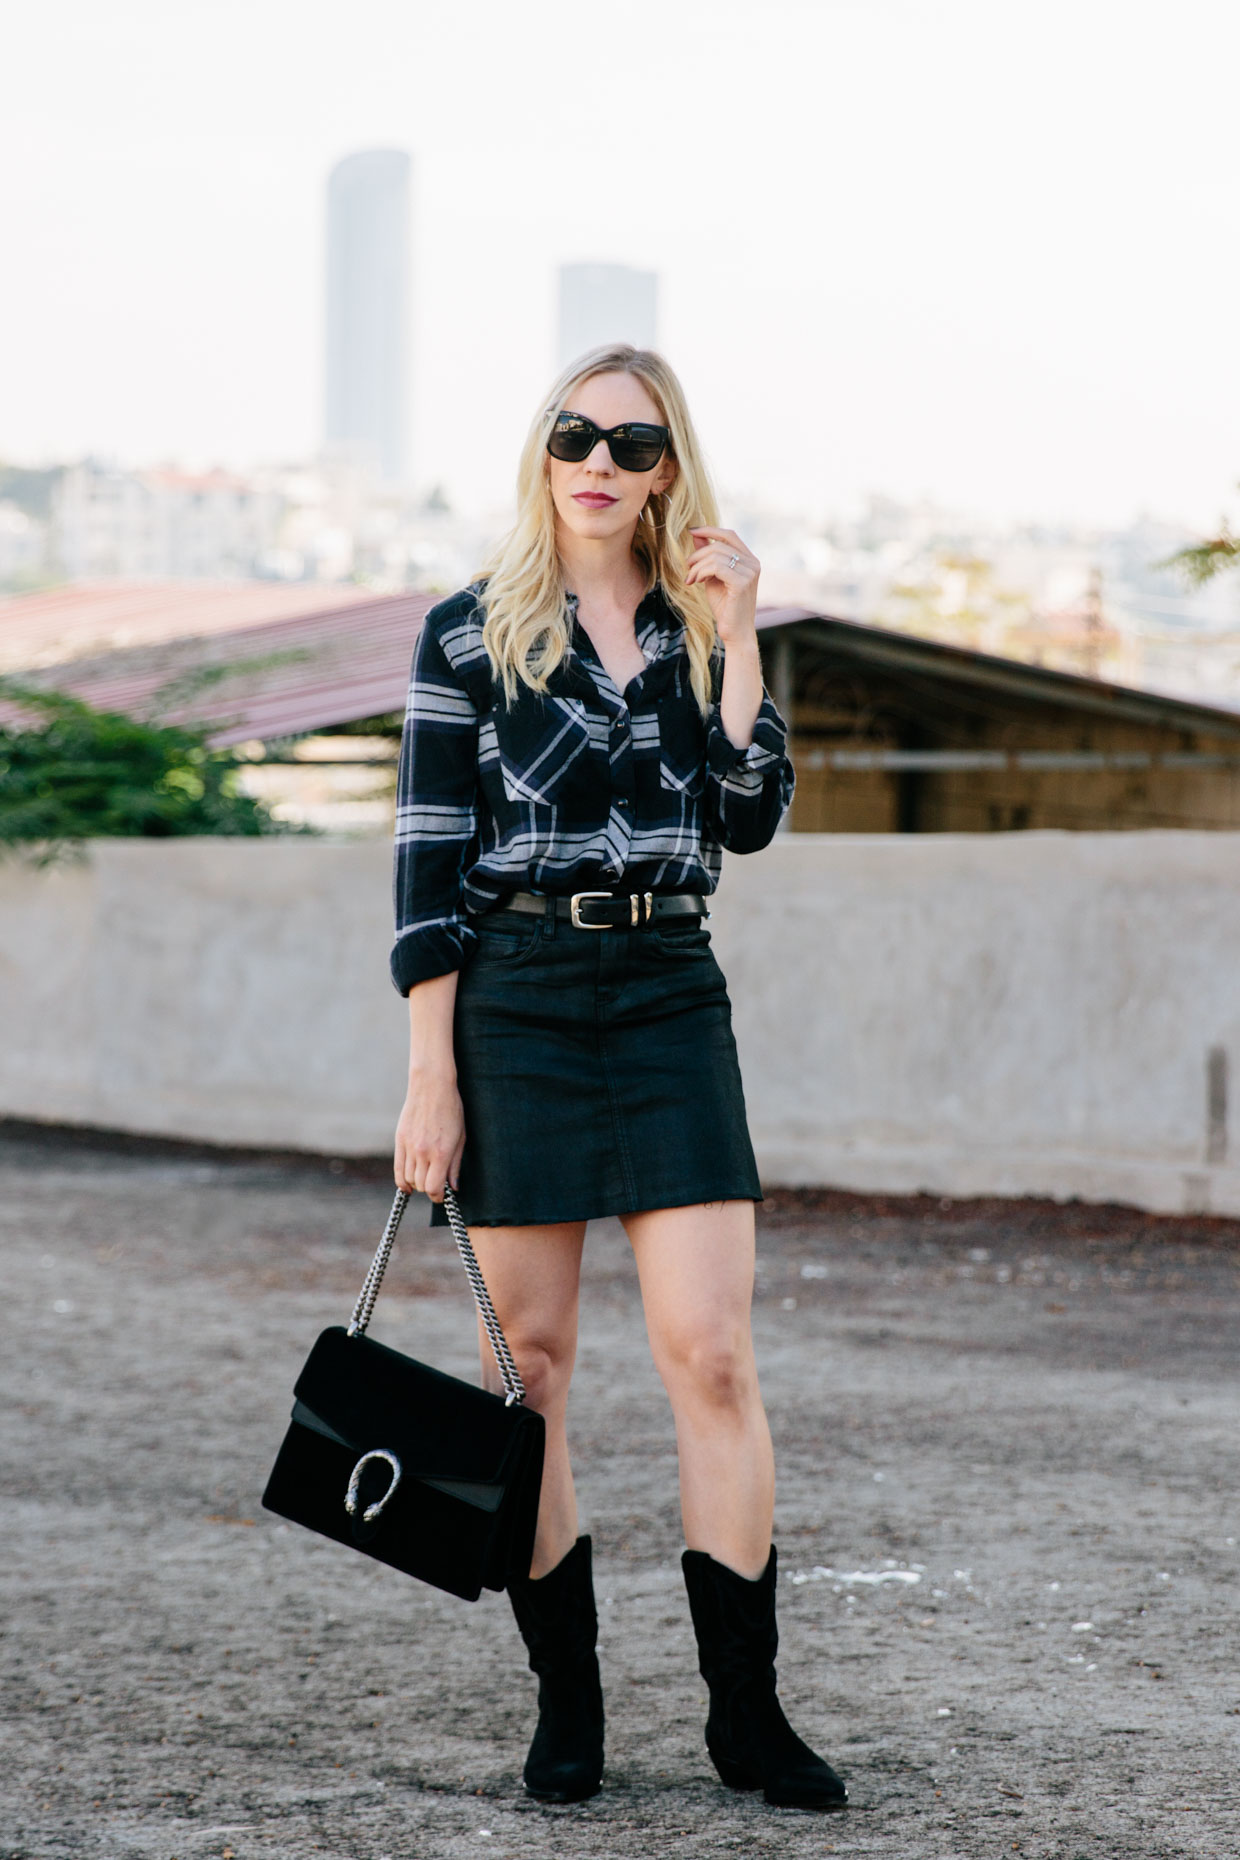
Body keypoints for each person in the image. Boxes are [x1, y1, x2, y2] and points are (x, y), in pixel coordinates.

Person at [389, 343, 846, 1813]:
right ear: (544, 453)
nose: (600, 461)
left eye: (634, 445)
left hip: (665, 993)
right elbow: (423, 871)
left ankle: (747, 1718)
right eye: (576, 435)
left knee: (710, 1354)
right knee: (529, 1369)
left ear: (669, 470)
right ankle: (567, 1707)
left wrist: (744, 631)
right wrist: (429, 1079)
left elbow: (752, 814)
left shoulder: (703, 622)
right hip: (513, 999)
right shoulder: (468, 635)